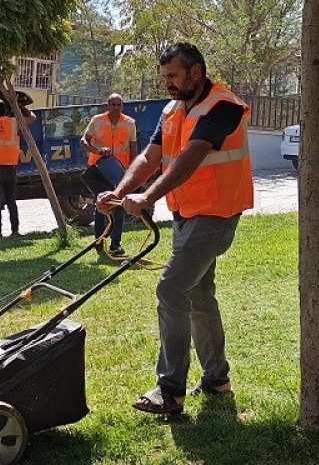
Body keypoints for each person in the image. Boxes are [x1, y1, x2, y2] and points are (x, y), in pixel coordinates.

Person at [96, 42, 253, 415]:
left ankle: (170, 390)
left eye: (173, 76)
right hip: (187, 212)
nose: (167, 83)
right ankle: (217, 380)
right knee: (198, 293)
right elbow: (151, 156)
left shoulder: (222, 106)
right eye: (164, 76)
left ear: (195, 73)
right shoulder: (172, 109)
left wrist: (147, 197)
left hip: (216, 213)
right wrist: (119, 192)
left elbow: (189, 158)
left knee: (171, 287)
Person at [81, 93, 137, 255]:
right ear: (107, 105)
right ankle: (98, 240)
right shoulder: (97, 120)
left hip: (119, 172)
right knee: (101, 205)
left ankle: (115, 244)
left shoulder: (130, 123)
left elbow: (133, 148)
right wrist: (97, 151)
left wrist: (132, 171)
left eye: (119, 105)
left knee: (119, 208)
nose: (117, 107)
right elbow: (84, 141)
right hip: (99, 171)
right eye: (113, 104)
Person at [0, 96, 36, 239]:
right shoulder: (13, 123)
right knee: (11, 201)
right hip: (10, 169)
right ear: (6, 110)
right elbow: (32, 117)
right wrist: (18, 105)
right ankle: (15, 231)